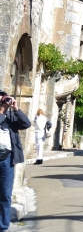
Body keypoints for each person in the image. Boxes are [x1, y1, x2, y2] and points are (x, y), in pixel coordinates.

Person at [0, 91, 30, 232]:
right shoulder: (3, 113)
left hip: (7, 159)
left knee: (5, 194)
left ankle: (2, 226)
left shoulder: (11, 114)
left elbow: (26, 124)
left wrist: (16, 109)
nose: (4, 101)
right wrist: (1, 112)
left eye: (4, 98)